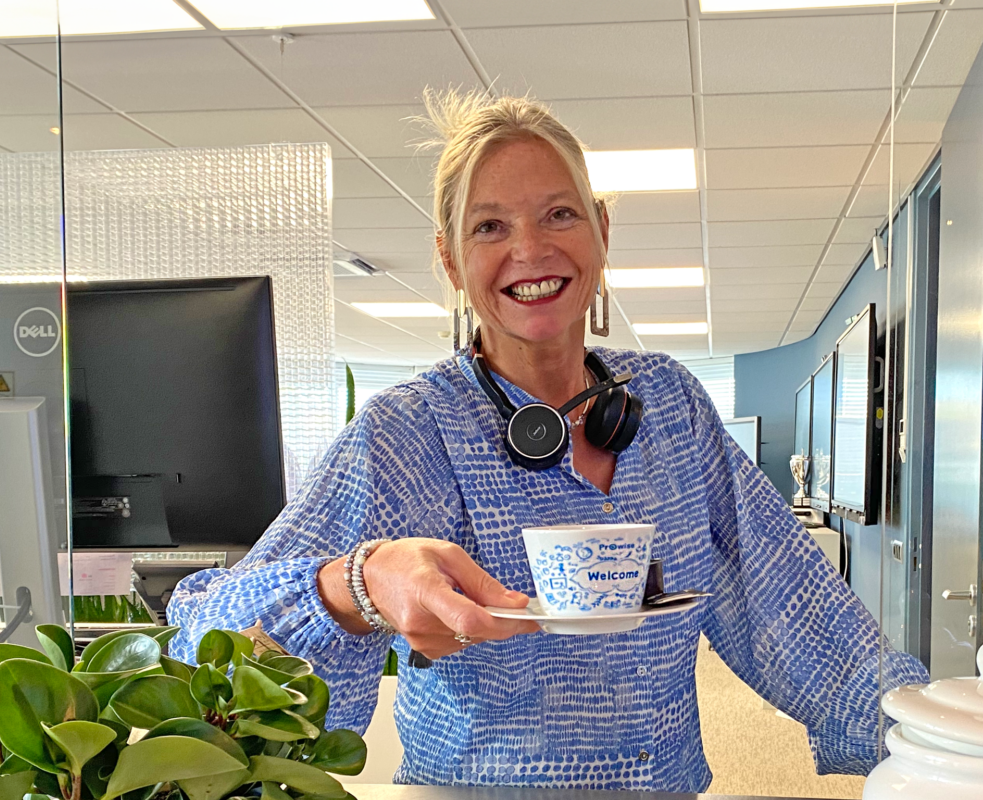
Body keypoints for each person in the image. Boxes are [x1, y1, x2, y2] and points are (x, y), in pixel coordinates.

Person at [168, 90, 929, 792]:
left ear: (602, 229)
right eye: (490, 226)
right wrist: (356, 584)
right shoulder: (408, 431)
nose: (530, 250)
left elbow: (791, 601)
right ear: (449, 259)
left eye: (559, 214)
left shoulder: (668, 408)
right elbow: (203, 638)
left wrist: (931, 738)